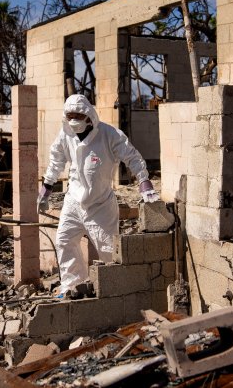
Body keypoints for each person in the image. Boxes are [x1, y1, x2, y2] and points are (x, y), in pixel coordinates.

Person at [38, 94, 159, 296]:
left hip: (100, 205)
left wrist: (144, 183)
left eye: (78, 114)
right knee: (64, 241)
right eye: (70, 115)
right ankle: (71, 285)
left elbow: (133, 158)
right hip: (73, 202)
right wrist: (46, 190)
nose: (74, 120)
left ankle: (113, 290)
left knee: (108, 249)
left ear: (88, 115)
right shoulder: (65, 134)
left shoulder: (109, 134)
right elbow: (56, 161)